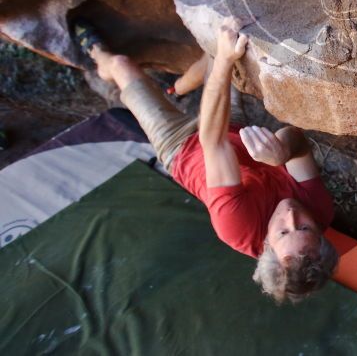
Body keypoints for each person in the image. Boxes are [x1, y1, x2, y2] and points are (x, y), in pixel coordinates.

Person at [72, 17, 339, 303]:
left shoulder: (237, 226)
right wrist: (282, 153)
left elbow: (212, 142)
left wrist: (224, 61)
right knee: (223, 40)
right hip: (235, 130)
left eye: (283, 230)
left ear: (267, 246)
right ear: (319, 233)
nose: (291, 213)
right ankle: (177, 88)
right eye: (304, 227)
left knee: (124, 65)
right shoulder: (320, 211)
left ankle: (100, 58)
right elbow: (297, 141)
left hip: (181, 146)